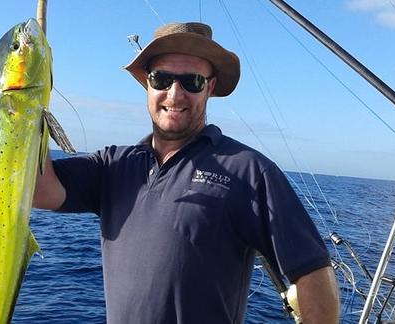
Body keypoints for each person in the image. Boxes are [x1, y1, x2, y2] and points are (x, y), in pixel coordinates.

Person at [33, 22, 339, 324]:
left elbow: (311, 269)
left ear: (210, 87)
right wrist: (28, 105)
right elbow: (39, 190)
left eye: (191, 82)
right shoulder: (113, 165)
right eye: (162, 79)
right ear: (148, 85)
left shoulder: (250, 170)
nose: (174, 94)